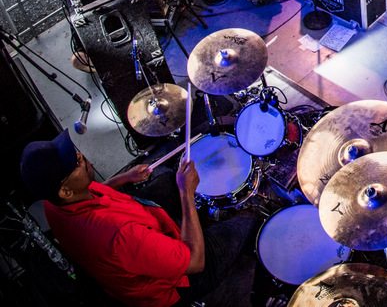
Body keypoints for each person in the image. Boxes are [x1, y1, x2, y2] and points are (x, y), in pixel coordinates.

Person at [18, 129, 257, 307]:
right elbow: (195, 263)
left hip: (139, 231)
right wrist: (187, 192)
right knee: (246, 219)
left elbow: (95, 193)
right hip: (173, 286)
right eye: (76, 162)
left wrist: (123, 179)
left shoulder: (53, 206)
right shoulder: (118, 235)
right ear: (65, 190)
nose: (82, 155)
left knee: (164, 179)